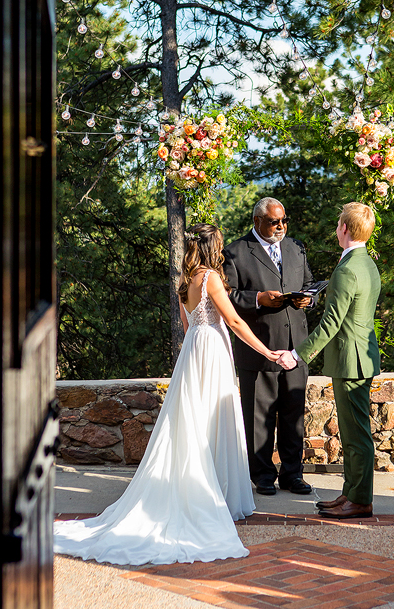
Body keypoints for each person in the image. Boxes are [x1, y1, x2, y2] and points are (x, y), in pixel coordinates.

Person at [53, 224, 282, 566]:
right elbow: (233, 321)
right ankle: (212, 496)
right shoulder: (211, 279)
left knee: (193, 421)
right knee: (213, 420)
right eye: (218, 244)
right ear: (212, 247)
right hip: (211, 352)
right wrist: (267, 351)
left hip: (193, 352)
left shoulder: (184, 282)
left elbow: (189, 327)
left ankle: (209, 491)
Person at [276, 202, 381, 519]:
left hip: (352, 361)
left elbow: (332, 324)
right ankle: (351, 492)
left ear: (345, 229)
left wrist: (298, 354)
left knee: (356, 435)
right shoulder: (366, 264)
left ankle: (360, 500)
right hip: (360, 356)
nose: (337, 229)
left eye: (339, 224)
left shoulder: (347, 270)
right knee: (352, 434)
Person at [223, 197, 315, 497]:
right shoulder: (236, 252)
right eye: (274, 221)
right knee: (258, 417)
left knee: (293, 415)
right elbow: (227, 298)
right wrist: (259, 299)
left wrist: (308, 299)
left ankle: (293, 474)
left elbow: (310, 283)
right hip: (258, 347)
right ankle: (262, 475)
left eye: (284, 220)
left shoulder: (296, 247)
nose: (281, 226)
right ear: (257, 221)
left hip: (296, 348)